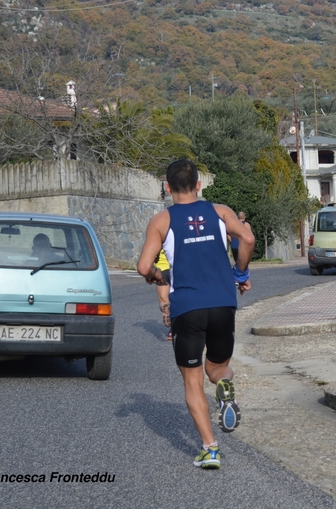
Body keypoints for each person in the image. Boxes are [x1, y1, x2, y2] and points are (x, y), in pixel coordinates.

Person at [137, 159, 255, 470]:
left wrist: (157, 277)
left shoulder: (161, 221)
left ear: (167, 187)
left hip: (187, 309)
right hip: (222, 305)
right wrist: (240, 274)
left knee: (192, 381)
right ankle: (224, 387)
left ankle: (210, 449)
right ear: (199, 185)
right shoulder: (220, 212)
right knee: (217, 368)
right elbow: (248, 239)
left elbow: (143, 266)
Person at [155, 249, 172, 340]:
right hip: (168, 268)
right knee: (170, 299)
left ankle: (172, 323)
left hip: (164, 268)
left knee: (164, 299)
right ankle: (174, 325)